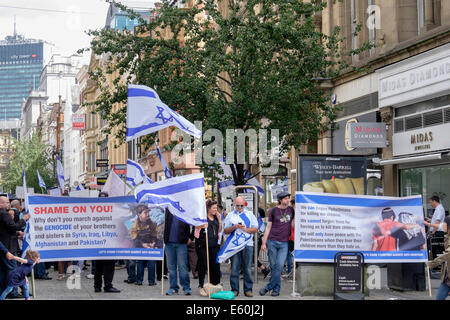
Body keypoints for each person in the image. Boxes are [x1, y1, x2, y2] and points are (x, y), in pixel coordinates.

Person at [259, 191, 295, 297]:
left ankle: (267, 288)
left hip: (284, 243)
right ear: (280, 200)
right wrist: (264, 242)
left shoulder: (291, 210)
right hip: (272, 241)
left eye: (288, 198)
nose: (287, 200)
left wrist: (297, 217)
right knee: (274, 267)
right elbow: (268, 227)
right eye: (285, 198)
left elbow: (292, 225)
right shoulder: (273, 210)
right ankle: (276, 290)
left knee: (279, 266)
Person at [223, 196, 258, 297]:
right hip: (234, 245)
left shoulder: (249, 214)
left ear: (245, 204)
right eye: (237, 205)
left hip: (247, 244)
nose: (239, 207)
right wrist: (234, 227)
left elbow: (255, 229)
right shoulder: (230, 215)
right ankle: (234, 289)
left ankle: (248, 289)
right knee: (234, 268)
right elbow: (225, 230)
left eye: (241, 205)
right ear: (234, 204)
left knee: (247, 268)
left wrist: (246, 229)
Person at [0, 196, 30, 298]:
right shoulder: (5, 214)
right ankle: (13, 293)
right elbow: (13, 227)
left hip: (2, 247)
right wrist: (24, 219)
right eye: (7, 202)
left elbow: (6, 230)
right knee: (13, 271)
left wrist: (17, 233)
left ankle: (3, 293)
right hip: (8, 248)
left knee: (2, 272)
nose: (9, 204)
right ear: (1, 204)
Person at [194, 200, 222, 295]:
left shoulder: (216, 217)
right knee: (203, 265)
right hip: (202, 245)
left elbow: (219, 230)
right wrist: (202, 225)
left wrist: (221, 221)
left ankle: (214, 284)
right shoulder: (202, 217)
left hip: (214, 245)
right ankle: (201, 285)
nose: (215, 210)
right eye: (213, 208)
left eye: (216, 208)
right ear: (208, 209)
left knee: (214, 265)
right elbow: (196, 227)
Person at [93, 192, 120, 293]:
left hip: (107, 243)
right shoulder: (111, 210)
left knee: (100, 266)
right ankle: (106, 286)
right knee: (104, 266)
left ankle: (98, 286)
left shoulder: (95, 211)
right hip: (103, 243)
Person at [164, 208, 192, 295]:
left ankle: (186, 287)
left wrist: (191, 237)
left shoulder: (184, 209)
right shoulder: (167, 209)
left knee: (182, 266)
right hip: (169, 243)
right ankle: (173, 287)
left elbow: (192, 224)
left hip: (181, 243)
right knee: (171, 267)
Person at [130, 204, 159, 286]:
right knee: (140, 263)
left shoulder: (152, 223)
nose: (148, 214)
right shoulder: (134, 225)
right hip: (140, 247)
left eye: (148, 212)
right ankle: (139, 280)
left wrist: (153, 242)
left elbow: (154, 235)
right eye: (145, 212)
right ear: (139, 214)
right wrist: (142, 244)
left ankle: (152, 281)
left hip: (150, 247)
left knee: (152, 263)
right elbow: (134, 240)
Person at [426, 215, 450, 300]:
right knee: (439, 298)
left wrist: (432, 263)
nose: (443, 225)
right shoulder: (446, 236)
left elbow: (448, 254)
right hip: (447, 278)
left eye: (445, 224)